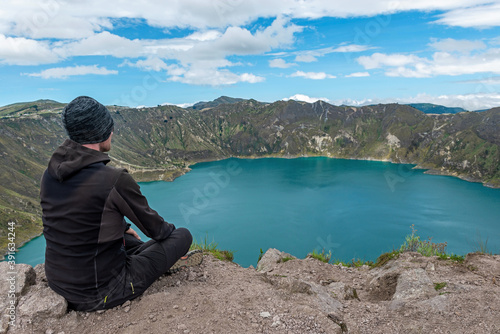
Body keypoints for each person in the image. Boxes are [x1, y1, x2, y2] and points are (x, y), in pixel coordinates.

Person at [40, 96, 202, 311]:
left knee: (125, 237)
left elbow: (77, 213)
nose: (112, 133)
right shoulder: (113, 179)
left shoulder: (49, 175)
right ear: (102, 132)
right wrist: (169, 243)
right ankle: (160, 259)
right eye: (110, 128)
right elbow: (158, 230)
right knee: (182, 235)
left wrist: (123, 227)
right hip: (101, 292)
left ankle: (145, 253)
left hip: (59, 280)